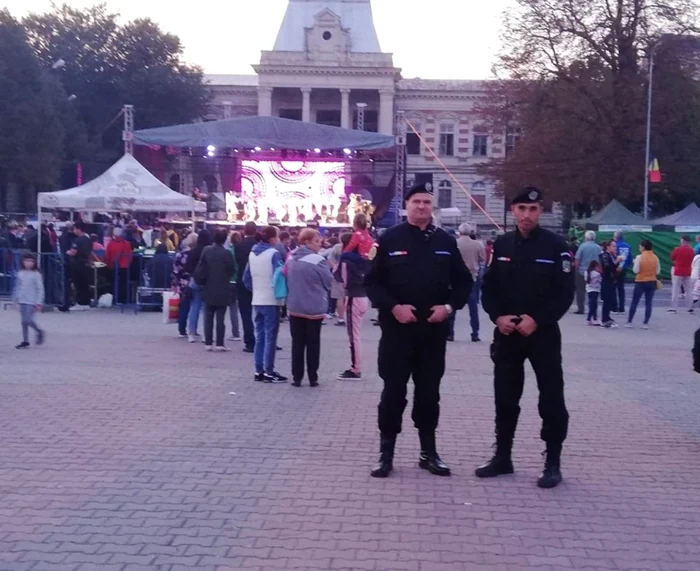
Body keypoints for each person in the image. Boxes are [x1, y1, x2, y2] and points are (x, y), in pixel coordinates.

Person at [366, 182, 472, 478]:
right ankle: (386, 454)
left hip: (432, 335)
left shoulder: (445, 241)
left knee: (428, 394)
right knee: (393, 394)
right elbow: (372, 282)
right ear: (407, 206)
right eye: (417, 202)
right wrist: (393, 307)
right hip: (397, 334)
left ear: (432, 207)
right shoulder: (388, 239)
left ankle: (429, 453)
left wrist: (449, 308)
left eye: (427, 202)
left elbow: (464, 282)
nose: (422, 207)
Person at [476, 186, 574, 489]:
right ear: (513, 211)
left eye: (532, 209)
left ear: (540, 211)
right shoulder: (502, 245)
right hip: (507, 334)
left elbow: (565, 293)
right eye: (521, 209)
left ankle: (552, 462)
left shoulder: (557, 246)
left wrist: (539, 319)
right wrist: (497, 317)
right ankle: (503, 457)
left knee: (551, 398)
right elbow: (488, 288)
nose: (527, 215)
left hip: (542, 334)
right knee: (505, 398)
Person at [285, 228, 333, 387]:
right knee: (313, 343)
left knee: (297, 343)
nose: (320, 245)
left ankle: (296, 377)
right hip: (314, 307)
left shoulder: (291, 258)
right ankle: (313, 377)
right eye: (317, 241)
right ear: (307, 242)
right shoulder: (318, 260)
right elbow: (328, 282)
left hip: (294, 306)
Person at [243, 226, 287, 383]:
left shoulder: (252, 254)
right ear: (273, 238)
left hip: (257, 299)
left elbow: (246, 278)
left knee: (260, 336)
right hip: (271, 300)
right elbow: (279, 275)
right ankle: (269, 371)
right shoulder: (274, 254)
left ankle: (258, 370)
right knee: (270, 337)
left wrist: (256, 289)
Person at [336, 238, 372, 381]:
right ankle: (356, 367)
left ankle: (355, 368)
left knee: (353, 336)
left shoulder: (346, 260)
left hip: (353, 297)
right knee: (356, 334)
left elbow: (343, 280)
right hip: (363, 296)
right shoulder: (365, 259)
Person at [194, 229, 235, 351]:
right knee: (220, 318)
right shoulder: (227, 253)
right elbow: (232, 270)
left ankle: (208, 342)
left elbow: (201, 266)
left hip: (208, 286)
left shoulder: (206, 251)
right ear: (224, 240)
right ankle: (220, 343)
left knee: (208, 316)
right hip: (223, 287)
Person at [451, 222, 486, 342]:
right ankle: (475, 333)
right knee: (473, 308)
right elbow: (483, 259)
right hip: (472, 277)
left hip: (456, 278)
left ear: (459, 232)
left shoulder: (454, 243)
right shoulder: (477, 244)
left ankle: (450, 333)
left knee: (452, 306)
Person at [12, 253, 45, 349]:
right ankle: (25, 340)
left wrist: (39, 302)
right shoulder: (20, 273)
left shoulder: (36, 274)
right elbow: (17, 287)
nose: (28, 263)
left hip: (32, 300)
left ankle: (39, 331)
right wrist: (15, 299)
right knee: (23, 321)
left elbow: (40, 289)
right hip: (22, 299)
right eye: (26, 261)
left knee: (28, 320)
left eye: (31, 261)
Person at [185, 230, 213, 342]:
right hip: (207, 281)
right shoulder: (210, 251)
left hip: (194, 280)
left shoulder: (193, 251)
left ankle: (191, 332)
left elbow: (187, 267)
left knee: (194, 306)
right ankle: (206, 334)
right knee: (206, 308)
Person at [626, 240, 661, 329]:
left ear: (643, 247)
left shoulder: (639, 257)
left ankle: (629, 321)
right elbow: (658, 271)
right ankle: (645, 323)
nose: (639, 248)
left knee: (635, 301)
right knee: (648, 302)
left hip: (640, 281)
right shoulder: (655, 257)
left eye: (640, 246)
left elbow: (636, 270)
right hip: (652, 281)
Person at [236, 222, 258, 352]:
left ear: (244, 231)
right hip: (258, 281)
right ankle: (264, 340)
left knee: (245, 312)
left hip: (242, 282)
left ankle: (249, 341)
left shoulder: (239, 246)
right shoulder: (259, 246)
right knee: (262, 312)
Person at [172, 232, 198, 338]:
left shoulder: (180, 255)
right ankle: (193, 329)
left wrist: (174, 283)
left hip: (181, 282)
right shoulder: (195, 254)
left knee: (183, 306)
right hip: (192, 280)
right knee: (194, 306)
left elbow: (175, 270)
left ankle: (181, 329)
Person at [574, 231, 602, 315]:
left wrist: (576, 268)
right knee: (593, 291)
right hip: (595, 273)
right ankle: (592, 309)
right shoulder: (598, 248)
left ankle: (581, 309)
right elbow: (601, 261)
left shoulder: (582, 246)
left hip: (582, 271)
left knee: (580, 291)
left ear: (586, 238)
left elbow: (577, 259)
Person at [67, 222, 94, 309]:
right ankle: (86, 303)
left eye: (74, 229)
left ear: (79, 229)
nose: (74, 231)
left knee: (78, 284)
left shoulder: (78, 240)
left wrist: (68, 252)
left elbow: (73, 252)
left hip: (78, 264)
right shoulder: (88, 239)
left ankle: (80, 303)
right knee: (85, 284)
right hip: (86, 264)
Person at [105, 227, 134, 304]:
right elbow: (130, 255)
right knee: (124, 284)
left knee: (114, 284)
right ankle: (124, 300)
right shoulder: (127, 244)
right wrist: (128, 263)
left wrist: (109, 265)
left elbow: (108, 256)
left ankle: (115, 299)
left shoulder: (110, 244)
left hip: (114, 267)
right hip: (125, 267)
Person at [670, 235, 695, 313]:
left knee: (675, 289)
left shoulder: (677, 249)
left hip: (678, 271)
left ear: (683, 241)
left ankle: (674, 308)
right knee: (689, 290)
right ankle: (690, 307)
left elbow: (672, 257)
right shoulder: (692, 250)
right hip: (688, 271)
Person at [227, 231, 242, 342]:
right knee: (235, 308)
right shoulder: (242, 251)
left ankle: (235, 333)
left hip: (230, 281)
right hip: (239, 281)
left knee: (231, 307)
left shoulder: (230, 252)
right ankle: (236, 332)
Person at [613, 231, 633, 314]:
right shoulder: (628, 246)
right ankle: (622, 307)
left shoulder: (615, 246)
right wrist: (625, 265)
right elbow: (630, 258)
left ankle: (614, 307)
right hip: (624, 268)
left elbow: (613, 256)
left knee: (613, 287)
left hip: (615, 268)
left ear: (616, 237)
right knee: (621, 288)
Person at [585, 260, 602, 326]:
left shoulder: (586, 272)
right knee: (594, 305)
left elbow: (586, 280)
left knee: (592, 304)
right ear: (595, 266)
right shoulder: (597, 274)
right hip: (595, 289)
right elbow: (600, 281)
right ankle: (591, 318)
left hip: (589, 289)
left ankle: (594, 317)